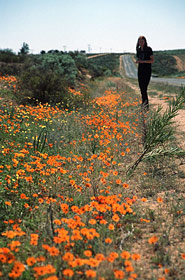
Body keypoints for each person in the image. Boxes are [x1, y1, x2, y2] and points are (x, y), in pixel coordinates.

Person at [136, 36, 154, 110]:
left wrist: (143, 61)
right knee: (141, 89)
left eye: (142, 41)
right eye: (140, 41)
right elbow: (139, 59)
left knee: (144, 88)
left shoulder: (149, 49)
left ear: (145, 41)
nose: (141, 43)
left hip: (147, 71)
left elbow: (152, 60)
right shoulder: (139, 50)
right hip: (140, 70)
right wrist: (138, 61)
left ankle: (145, 106)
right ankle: (144, 105)